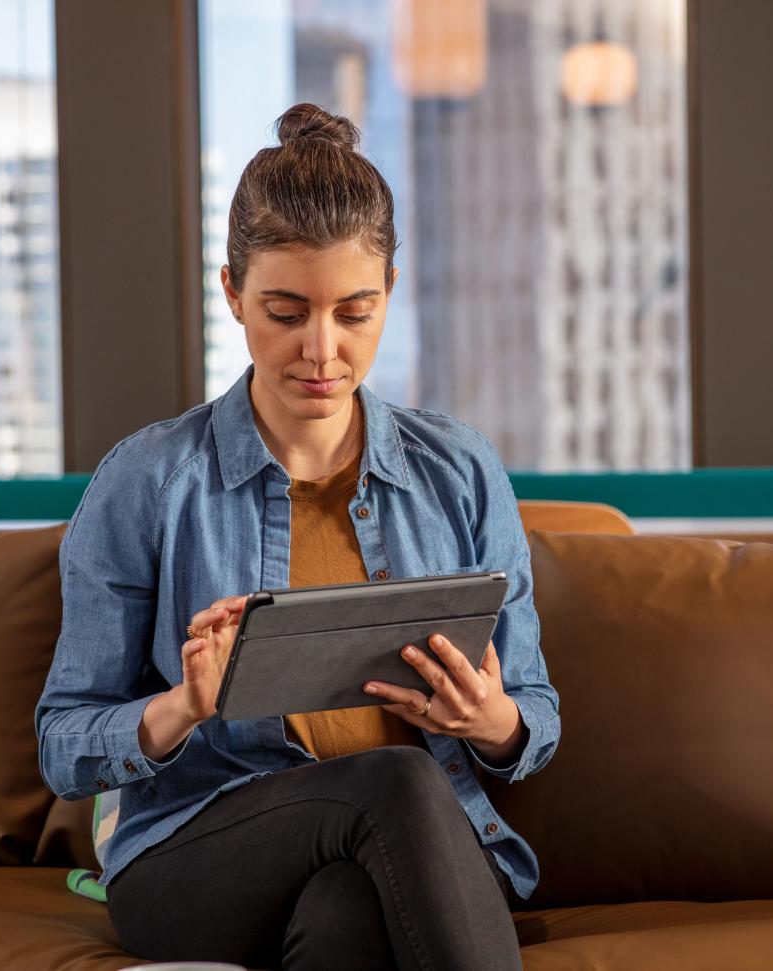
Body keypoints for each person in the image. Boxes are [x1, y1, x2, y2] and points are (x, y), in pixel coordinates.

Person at [35, 103, 559, 971]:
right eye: (286, 311)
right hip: (196, 859)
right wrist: (183, 708)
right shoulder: (149, 480)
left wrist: (491, 718)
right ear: (232, 292)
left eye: (355, 312)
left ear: (391, 287)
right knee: (392, 782)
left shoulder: (460, 471)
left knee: (348, 909)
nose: (322, 350)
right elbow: (63, 743)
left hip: (408, 858)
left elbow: (534, 712)